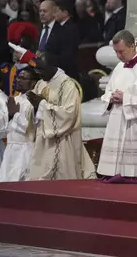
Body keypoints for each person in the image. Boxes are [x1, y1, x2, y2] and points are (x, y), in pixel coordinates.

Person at [98, 30, 137, 181]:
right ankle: (114, 171)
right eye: (116, 52)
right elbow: (108, 92)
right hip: (118, 119)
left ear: (132, 46)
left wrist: (126, 98)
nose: (119, 56)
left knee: (135, 168)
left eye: (121, 51)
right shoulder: (119, 67)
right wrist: (111, 98)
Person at [26, 52, 96, 180]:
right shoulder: (40, 84)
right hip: (43, 138)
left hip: (63, 140)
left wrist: (41, 103)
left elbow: (69, 115)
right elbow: (34, 113)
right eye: (36, 69)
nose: (38, 73)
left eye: (41, 69)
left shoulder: (67, 85)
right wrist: (34, 107)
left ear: (53, 65)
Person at [0, 67, 38, 181]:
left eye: (23, 78)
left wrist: (14, 114)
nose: (18, 80)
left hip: (25, 149)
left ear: (33, 82)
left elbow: (30, 129)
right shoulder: (14, 100)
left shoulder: (34, 102)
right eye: (18, 77)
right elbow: (4, 128)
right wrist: (9, 116)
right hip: (10, 148)